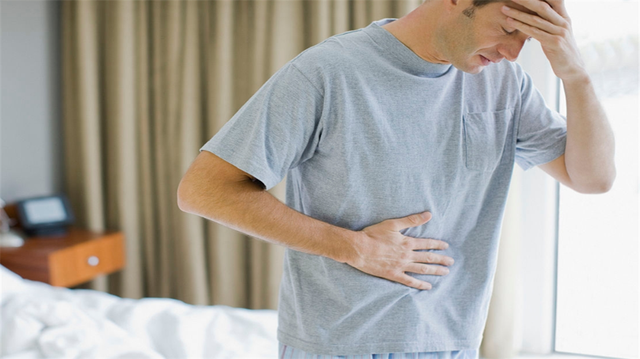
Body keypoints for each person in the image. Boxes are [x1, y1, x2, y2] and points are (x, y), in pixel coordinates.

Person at [177, 0, 616, 357]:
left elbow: (594, 178)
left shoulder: (505, 84)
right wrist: (356, 248)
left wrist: (574, 73)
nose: (513, 52)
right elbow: (203, 189)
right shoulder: (328, 72)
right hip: (340, 345)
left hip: (452, 343)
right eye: (507, 31)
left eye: (529, 40)